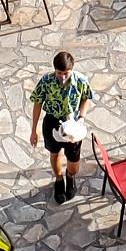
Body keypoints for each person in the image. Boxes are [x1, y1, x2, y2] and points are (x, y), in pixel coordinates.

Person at [28, 50, 92, 203]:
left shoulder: (81, 81)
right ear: (54, 70)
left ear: (72, 69)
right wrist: (33, 130)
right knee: (55, 154)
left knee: (73, 163)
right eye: (59, 73)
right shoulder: (46, 81)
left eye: (66, 73)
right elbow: (37, 103)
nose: (63, 77)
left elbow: (86, 99)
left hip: (73, 124)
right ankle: (59, 180)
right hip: (52, 122)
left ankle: (70, 177)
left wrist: (81, 119)